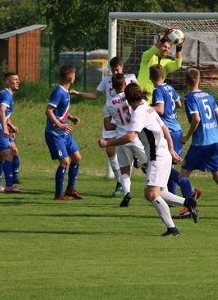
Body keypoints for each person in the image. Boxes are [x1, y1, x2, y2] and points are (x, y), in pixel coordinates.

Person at [98, 82, 198, 237]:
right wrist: (171, 149)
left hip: (156, 156)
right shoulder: (148, 108)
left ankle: (173, 229)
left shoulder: (139, 112)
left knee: (150, 194)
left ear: (128, 99)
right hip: (163, 154)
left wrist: (108, 143)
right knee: (160, 191)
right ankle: (188, 203)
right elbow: (165, 129)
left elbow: (131, 136)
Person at [179, 68, 218, 219]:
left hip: (201, 143)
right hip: (215, 141)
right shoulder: (209, 96)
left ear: (185, 81)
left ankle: (189, 208)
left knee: (183, 176)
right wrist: (215, 134)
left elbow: (196, 119)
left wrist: (187, 136)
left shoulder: (189, 98)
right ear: (199, 79)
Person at [70, 56, 138, 197]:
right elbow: (95, 95)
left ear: (122, 67)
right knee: (109, 149)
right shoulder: (107, 80)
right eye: (112, 69)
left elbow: (138, 95)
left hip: (128, 119)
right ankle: (120, 181)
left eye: (117, 69)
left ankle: (135, 180)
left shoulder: (131, 78)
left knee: (131, 150)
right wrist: (78, 93)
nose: (114, 72)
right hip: (112, 115)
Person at [149, 64, 201, 216]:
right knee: (169, 165)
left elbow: (160, 109)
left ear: (151, 78)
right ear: (164, 76)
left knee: (165, 166)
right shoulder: (170, 88)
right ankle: (174, 198)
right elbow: (177, 103)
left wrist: (147, 107)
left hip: (169, 133)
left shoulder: (157, 90)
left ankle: (190, 194)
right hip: (177, 130)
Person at [102, 73, 145, 207]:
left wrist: (120, 124)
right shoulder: (132, 97)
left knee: (125, 170)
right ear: (125, 85)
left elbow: (107, 126)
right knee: (150, 165)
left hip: (121, 139)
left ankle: (127, 193)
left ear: (112, 87)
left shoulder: (109, 103)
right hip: (136, 137)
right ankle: (161, 190)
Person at [45, 65, 84, 200]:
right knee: (65, 162)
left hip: (65, 133)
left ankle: (70, 189)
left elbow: (60, 111)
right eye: (73, 74)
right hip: (54, 133)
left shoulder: (66, 91)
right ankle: (58, 194)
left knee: (77, 158)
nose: (75, 76)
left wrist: (71, 118)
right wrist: (60, 124)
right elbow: (49, 111)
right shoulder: (58, 92)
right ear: (69, 76)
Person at [0, 72, 22, 193]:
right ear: (7, 82)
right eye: (15, 79)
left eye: (18, 79)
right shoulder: (7, 94)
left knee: (8, 153)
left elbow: (2, 113)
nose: (18, 81)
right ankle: (10, 186)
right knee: (8, 154)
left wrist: (10, 125)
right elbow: (1, 111)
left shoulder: (5, 94)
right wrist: (5, 128)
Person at [137, 27, 183, 103]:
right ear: (159, 45)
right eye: (164, 46)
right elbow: (152, 50)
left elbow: (178, 64)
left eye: (168, 48)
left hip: (156, 99)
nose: (166, 49)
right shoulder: (147, 57)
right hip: (140, 97)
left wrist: (179, 47)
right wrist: (164, 38)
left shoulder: (166, 63)